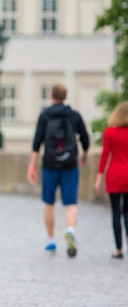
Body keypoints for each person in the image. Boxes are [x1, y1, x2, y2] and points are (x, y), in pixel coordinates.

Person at [27, 84, 90, 257]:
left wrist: (32, 166)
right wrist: (84, 154)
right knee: (70, 203)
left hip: (50, 164)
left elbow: (37, 142)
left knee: (49, 203)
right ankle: (70, 230)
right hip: (70, 164)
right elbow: (85, 138)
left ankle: (51, 239)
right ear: (65, 96)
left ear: (52, 97)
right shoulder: (74, 115)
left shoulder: (45, 115)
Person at [95, 101, 128, 259]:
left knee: (116, 212)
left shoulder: (109, 132)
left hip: (114, 175)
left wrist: (99, 177)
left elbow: (105, 155)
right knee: (127, 212)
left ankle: (119, 248)